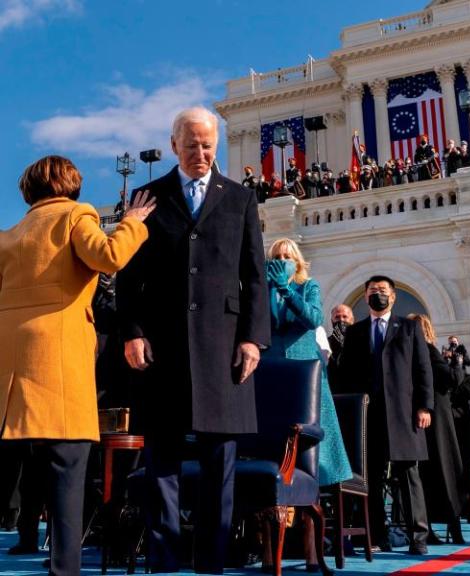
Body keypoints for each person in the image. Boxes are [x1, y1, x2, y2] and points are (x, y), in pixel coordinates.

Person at [116, 107, 269, 574]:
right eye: (192, 144)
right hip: (162, 346)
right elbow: (129, 276)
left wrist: (253, 341)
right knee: (160, 456)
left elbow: (255, 277)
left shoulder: (240, 199)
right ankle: (163, 560)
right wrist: (132, 333)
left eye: (208, 145)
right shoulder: (148, 197)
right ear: (173, 145)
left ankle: (212, 561)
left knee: (218, 459)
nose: (201, 153)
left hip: (224, 347)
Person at [0, 155, 155, 574]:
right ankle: (63, 568)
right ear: (71, 184)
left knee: (23, 465)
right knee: (67, 468)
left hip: (12, 363)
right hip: (58, 356)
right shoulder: (75, 215)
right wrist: (133, 222)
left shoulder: (10, 234)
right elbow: (108, 256)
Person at [260, 238, 352, 571]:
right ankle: (269, 553)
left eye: (287, 256)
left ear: (298, 261)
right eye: (276, 257)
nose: (282, 260)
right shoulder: (262, 286)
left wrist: (286, 289)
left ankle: (314, 553)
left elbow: (312, 318)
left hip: (305, 379)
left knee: (308, 461)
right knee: (271, 457)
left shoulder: (308, 286)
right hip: (270, 375)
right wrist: (267, 288)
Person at [339, 276, 434, 554]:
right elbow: (346, 375)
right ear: (365, 296)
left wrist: (424, 406)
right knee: (372, 477)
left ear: (392, 296)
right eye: (371, 291)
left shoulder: (409, 327)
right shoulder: (355, 332)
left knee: (409, 474)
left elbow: (422, 368)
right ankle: (376, 536)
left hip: (404, 413)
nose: (376, 295)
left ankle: (418, 536)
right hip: (368, 415)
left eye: (382, 291)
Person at [408, 314, 466, 545]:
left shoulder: (411, 354)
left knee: (425, 473)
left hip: (420, 417)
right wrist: (458, 363)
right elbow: (452, 379)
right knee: (446, 470)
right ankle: (454, 526)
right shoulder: (430, 351)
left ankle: (428, 527)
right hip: (438, 418)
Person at [448, 353, 470, 523]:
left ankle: (469, 510)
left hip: (463, 432)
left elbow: (466, 394)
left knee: (466, 474)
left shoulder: (467, 378)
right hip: (450, 431)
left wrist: (455, 383)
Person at [327, 303, 354, 393]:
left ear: (352, 320)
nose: (341, 320)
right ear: (332, 321)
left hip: (356, 395)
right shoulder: (325, 343)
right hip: (333, 395)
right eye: (337, 317)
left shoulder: (362, 341)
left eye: (345, 317)